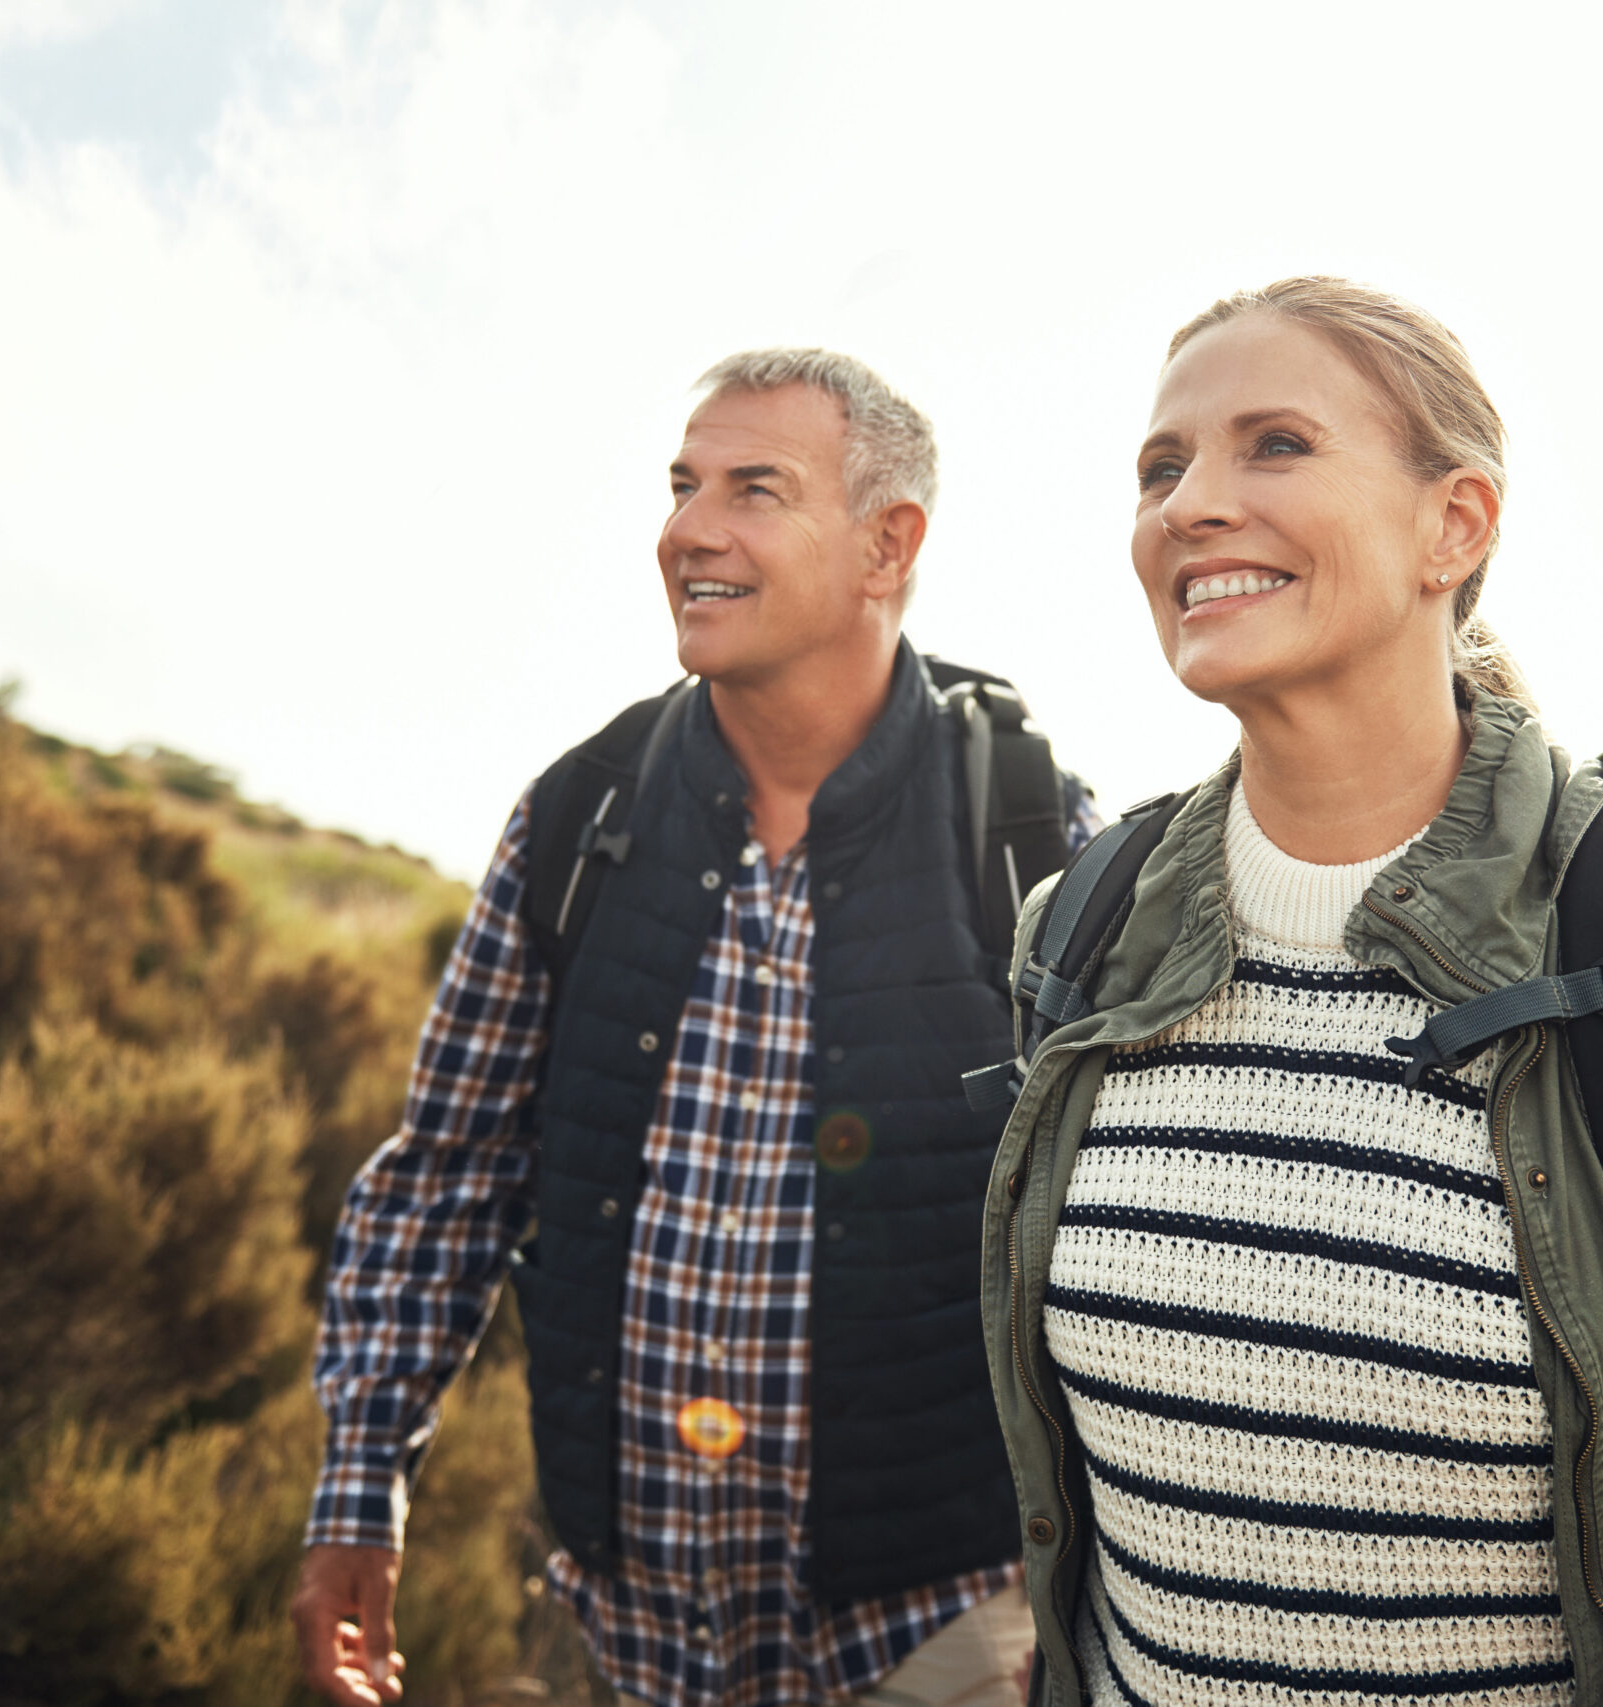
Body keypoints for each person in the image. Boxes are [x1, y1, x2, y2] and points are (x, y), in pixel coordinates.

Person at [980, 280, 1603, 1706]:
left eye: (1274, 444)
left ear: (1453, 525)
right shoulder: (1080, 932)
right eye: (1163, 468)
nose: (1190, 505)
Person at [295, 349, 1097, 1707]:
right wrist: (358, 1487)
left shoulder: (1030, 830)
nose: (687, 529)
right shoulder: (578, 819)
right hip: (629, 1637)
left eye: (755, 489)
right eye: (682, 486)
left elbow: (1110, 1234)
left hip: (944, 1635)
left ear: (886, 544)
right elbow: (444, 1178)